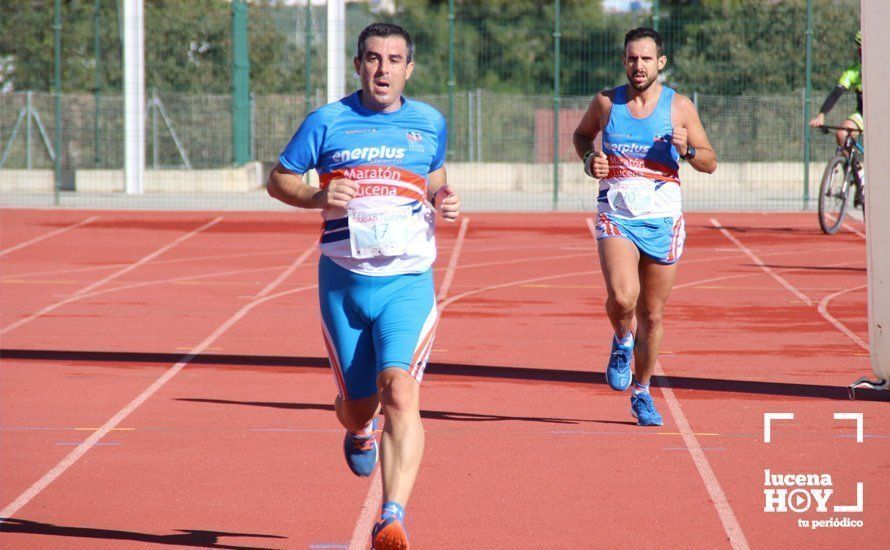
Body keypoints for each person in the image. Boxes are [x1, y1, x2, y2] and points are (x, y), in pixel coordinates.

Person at [267, 22, 460, 549]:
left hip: (408, 280)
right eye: (373, 59)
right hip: (344, 282)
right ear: (358, 65)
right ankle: (358, 429)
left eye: (394, 60)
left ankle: (391, 515)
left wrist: (445, 199)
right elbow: (279, 178)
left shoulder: (429, 123)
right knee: (360, 405)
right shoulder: (327, 122)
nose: (383, 69)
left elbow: (436, 177)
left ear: (409, 68)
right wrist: (314, 197)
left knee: (400, 390)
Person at [572, 27, 716, 426]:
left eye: (647, 59)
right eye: (632, 58)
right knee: (623, 297)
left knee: (652, 315)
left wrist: (687, 149)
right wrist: (590, 159)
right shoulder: (606, 102)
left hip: (662, 219)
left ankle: (642, 391)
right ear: (624, 61)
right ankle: (621, 339)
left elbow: (709, 160)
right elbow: (582, 135)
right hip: (616, 215)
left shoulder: (679, 107)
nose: (639, 66)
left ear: (661, 63)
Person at [809, 30, 863, 148]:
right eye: (860, 48)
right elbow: (835, 94)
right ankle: (850, 165)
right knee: (842, 134)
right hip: (863, 115)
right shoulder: (852, 72)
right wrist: (821, 114)